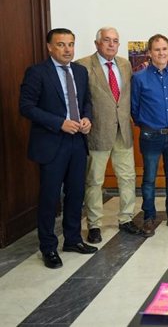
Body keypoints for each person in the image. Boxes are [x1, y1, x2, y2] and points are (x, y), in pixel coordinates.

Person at [19, 28, 97, 269]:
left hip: (77, 141)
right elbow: (26, 107)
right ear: (50, 47)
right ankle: (48, 247)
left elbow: (86, 102)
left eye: (71, 44)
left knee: (76, 193)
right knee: (51, 196)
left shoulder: (80, 72)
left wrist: (86, 118)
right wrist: (58, 123)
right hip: (52, 142)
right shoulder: (37, 72)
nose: (67, 49)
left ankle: (72, 239)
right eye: (61, 45)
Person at [76, 27, 146, 244]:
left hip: (123, 131)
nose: (111, 45)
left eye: (115, 41)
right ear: (97, 43)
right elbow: (79, 99)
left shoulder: (125, 65)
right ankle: (94, 224)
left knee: (128, 177)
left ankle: (125, 219)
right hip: (97, 131)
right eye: (106, 40)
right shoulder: (83, 66)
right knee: (94, 180)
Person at [131, 34, 168, 236]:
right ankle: (149, 217)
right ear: (149, 53)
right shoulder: (139, 78)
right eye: (157, 49)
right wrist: (147, 124)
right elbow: (134, 109)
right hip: (150, 136)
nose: (162, 53)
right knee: (149, 178)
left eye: (165, 49)